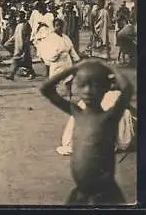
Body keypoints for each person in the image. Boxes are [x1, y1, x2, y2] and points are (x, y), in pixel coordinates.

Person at [40, 59, 132, 205]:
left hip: (104, 194)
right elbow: (46, 89)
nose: (88, 91)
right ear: (76, 86)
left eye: (96, 85)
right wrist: (73, 68)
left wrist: (110, 68)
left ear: (106, 87)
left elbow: (127, 90)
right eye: (82, 85)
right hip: (81, 192)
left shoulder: (109, 117)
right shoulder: (76, 112)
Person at [5, 11, 36, 80]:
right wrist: (9, 42)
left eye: (18, 17)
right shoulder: (18, 25)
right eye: (17, 17)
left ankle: (11, 75)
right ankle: (32, 73)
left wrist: (25, 47)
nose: (17, 18)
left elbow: (27, 37)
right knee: (27, 63)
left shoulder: (25, 25)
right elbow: (15, 36)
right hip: (18, 46)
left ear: (22, 17)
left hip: (23, 47)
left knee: (16, 61)